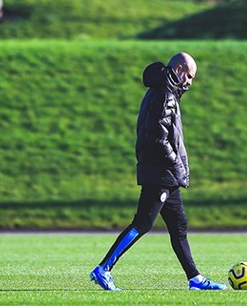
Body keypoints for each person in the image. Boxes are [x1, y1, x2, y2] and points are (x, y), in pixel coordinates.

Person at [90, 52, 227, 291]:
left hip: (165, 173)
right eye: (190, 76)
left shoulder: (164, 91)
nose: (190, 83)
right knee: (142, 223)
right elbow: (157, 137)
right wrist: (176, 165)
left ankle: (195, 279)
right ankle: (103, 269)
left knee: (179, 227)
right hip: (161, 171)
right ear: (180, 69)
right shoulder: (165, 94)